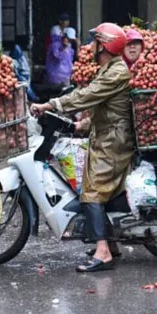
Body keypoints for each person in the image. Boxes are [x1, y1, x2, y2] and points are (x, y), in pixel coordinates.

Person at [30, 23, 133, 273]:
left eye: (95, 42)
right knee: (107, 192)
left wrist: (50, 104)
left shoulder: (116, 72)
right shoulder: (109, 69)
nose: (91, 48)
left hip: (113, 142)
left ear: (104, 45)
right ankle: (111, 242)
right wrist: (82, 125)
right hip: (106, 135)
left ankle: (103, 252)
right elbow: (105, 108)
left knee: (93, 191)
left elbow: (86, 96)